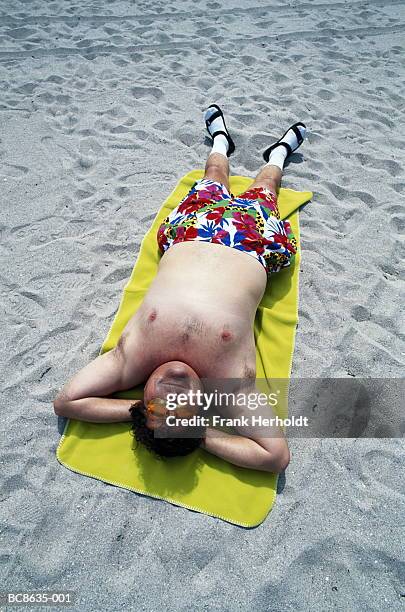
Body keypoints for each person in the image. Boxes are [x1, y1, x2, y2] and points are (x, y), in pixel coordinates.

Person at [53, 104, 307, 473]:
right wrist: (200, 435)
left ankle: (221, 141)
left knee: (215, 173)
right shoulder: (230, 386)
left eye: (160, 407)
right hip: (253, 244)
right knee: (266, 186)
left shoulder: (131, 361)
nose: (173, 395)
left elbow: (67, 402)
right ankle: (280, 154)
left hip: (190, 232)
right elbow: (275, 457)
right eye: (183, 409)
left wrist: (136, 413)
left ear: (143, 401)